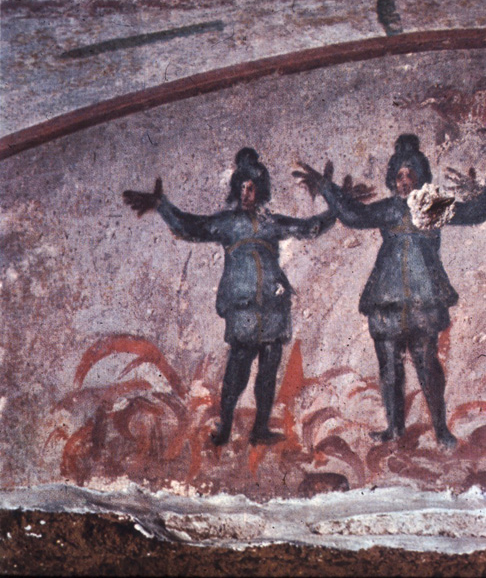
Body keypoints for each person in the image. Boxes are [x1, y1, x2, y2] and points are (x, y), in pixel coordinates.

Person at [295, 135, 486, 448]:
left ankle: (440, 429)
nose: (404, 181)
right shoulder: (388, 209)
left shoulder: (432, 206)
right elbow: (353, 215)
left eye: (410, 174)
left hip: (423, 297)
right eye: (399, 175)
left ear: (420, 177)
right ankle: (393, 428)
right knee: (389, 366)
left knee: (427, 364)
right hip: (385, 298)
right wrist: (325, 186)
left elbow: (475, 213)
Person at [122, 148, 335, 446]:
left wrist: (337, 205)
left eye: (252, 187)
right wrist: (162, 205)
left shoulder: (271, 222)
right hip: (243, 307)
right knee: (238, 369)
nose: (247, 193)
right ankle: (224, 427)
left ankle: (260, 429)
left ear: (261, 190)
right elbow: (189, 227)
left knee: (269, 371)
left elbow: (309, 227)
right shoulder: (228, 223)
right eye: (243, 187)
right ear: (237, 189)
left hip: (273, 307)